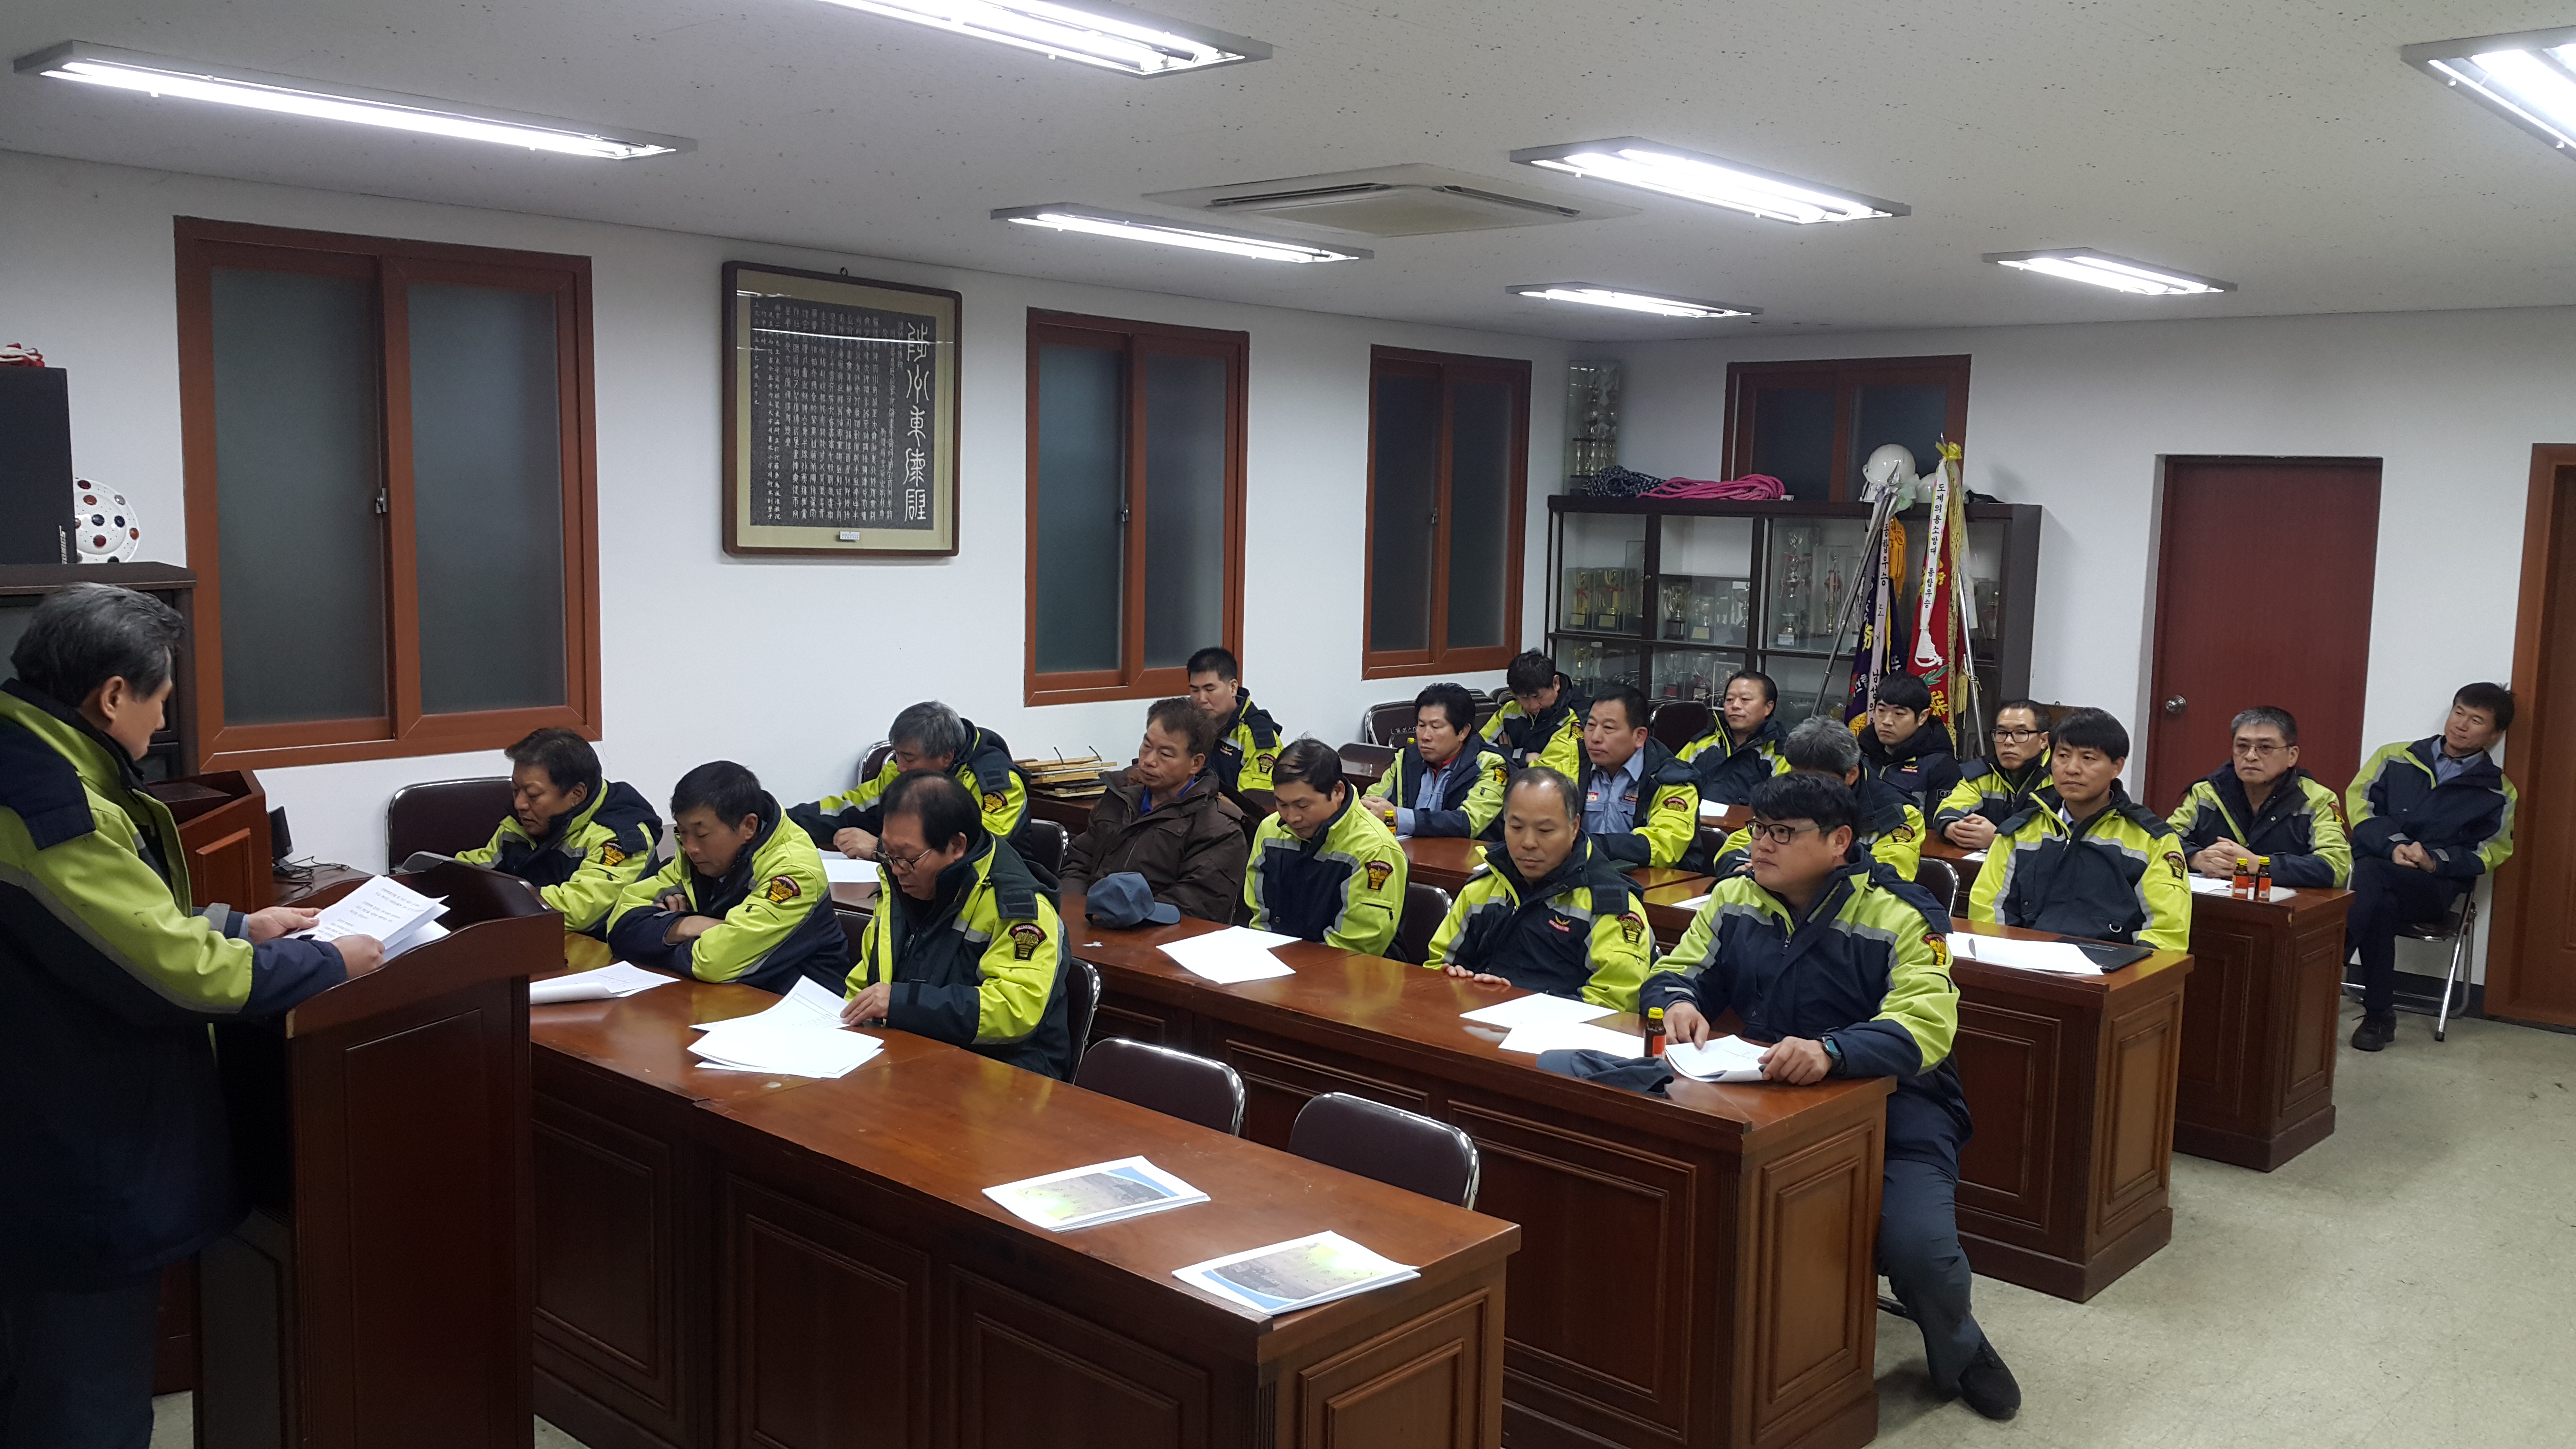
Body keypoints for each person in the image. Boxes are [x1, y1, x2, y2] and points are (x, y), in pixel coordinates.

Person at [1, 583, 380, 1449]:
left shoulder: (25, 750)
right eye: (162, 698)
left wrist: (236, 925)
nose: (164, 720)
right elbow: (174, 974)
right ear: (112, 695)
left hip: (36, 1132)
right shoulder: (49, 802)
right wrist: (331, 961)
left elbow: (100, 927)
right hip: (67, 1154)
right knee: (83, 1405)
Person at [1645, 773, 2018, 1421]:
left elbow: (1926, 1025)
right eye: (1758, 830)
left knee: (1919, 1251)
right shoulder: (1735, 896)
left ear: (1839, 841)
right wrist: (1676, 1001)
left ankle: (1961, 1346)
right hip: (1764, 1093)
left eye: (1782, 833)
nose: (1761, 845)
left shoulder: (1900, 913)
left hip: (1897, 1105)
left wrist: (1834, 1051)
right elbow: (1677, 968)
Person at [839, 772, 1073, 1078]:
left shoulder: (1019, 906)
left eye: (908, 858)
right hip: (917, 1053)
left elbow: (1015, 1009)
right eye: (888, 853)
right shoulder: (900, 885)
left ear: (957, 846)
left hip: (1005, 1073)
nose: (896, 869)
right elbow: (869, 979)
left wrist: (902, 1004)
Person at [2342, 684, 2518, 1052]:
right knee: (2379, 901)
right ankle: (2379, 1016)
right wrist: (2395, 846)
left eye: (2476, 720)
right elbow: (2361, 807)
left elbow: (2492, 851)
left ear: (2496, 734)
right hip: (2382, 873)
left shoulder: (2498, 791)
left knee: (2370, 878)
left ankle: (2322, 971)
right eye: (2458, 712)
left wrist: (2433, 860)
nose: (2461, 725)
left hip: (2431, 889)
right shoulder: (2395, 757)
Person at [609, 761, 852, 994]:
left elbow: (713, 963)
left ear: (749, 826)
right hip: (723, 999)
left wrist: (655, 941)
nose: (690, 847)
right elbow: (620, 925)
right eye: (682, 832)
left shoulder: (795, 873)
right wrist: (687, 925)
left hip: (801, 1009)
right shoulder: (698, 858)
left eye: (701, 834)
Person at [1425, 769, 1654, 1010]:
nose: (1528, 843)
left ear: (1574, 827)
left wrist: (1516, 1005)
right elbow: (1435, 968)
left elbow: (1612, 1005)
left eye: (1545, 831)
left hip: (1561, 1031)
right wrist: (1458, 983)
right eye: (1516, 827)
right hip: (1477, 1020)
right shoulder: (1483, 887)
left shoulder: (1609, 902)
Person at [1969, 708, 2189, 952]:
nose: (2072, 768)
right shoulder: (2020, 832)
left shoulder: (2152, 839)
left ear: (2116, 767)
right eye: (2063, 756)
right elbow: (1988, 912)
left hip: (2112, 968)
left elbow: (2165, 934)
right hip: (2025, 962)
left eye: (2088, 758)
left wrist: (2124, 972)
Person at [456, 726, 663, 936]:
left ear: (577, 794)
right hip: (531, 935)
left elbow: (578, 909)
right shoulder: (524, 821)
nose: (520, 804)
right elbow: (477, 870)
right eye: (516, 790)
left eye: (533, 795)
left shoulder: (620, 838)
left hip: (598, 948)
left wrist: (498, 898)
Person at [1059, 697, 1246, 924]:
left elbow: (1196, 903)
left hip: (1157, 932)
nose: (1148, 761)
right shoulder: (1120, 797)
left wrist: (1122, 915)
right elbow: (1078, 862)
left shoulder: (1219, 828)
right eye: (1147, 746)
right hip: (1089, 922)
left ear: (1195, 764)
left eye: (1165, 754)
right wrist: (1076, 910)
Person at [787, 701, 1028, 865]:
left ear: (946, 757)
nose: (900, 766)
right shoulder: (903, 770)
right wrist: (780, 821)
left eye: (909, 758)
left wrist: (881, 850)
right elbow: (853, 807)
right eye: (897, 754)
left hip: (992, 891)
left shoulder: (996, 784)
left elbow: (979, 849)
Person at [1710, 715, 1926, 879]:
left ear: (1851, 775)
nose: (1805, 789)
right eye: (1798, 777)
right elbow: (1735, 847)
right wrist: (1739, 868)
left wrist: (1806, 878)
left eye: (1818, 781)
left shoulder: (1898, 815)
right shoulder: (1787, 795)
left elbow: (1889, 877)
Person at [1244, 739, 1406, 956]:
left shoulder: (1375, 848)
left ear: (1338, 791)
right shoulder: (1270, 830)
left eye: (1302, 805)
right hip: (1278, 961)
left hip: (1352, 967)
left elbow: (1358, 944)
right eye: (1282, 804)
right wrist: (1263, 956)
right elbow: (1259, 916)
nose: (1292, 817)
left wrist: (1296, 966)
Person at [2167, 706, 2351, 887]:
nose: (2251, 756)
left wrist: (2258, 864)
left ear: (2292, 756)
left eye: (2265, 747)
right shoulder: (2206, 793)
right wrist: (2196, 858)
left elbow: (2336, 867)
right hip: (2213, 902)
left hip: (2285, 903)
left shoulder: (2317, 799)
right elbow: (2162, 843)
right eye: (2242, 746)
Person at [1576, 683, 1702, 869]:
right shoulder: (1572, 764)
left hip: (1647, 878)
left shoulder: (1673, 779)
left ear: (1639, 736)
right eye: (1591, 725)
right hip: (1579, 873)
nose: (1595, 737)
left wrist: (1590, 845)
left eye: (1609, 728)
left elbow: (1663, 845)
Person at [1362, 681, 1509, 839]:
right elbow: (1370, 802)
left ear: (1463, 732)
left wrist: (1399, 817)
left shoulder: (1490, 765)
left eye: (1436, 727)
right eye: (1421, 726)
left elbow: (1469, 822)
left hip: (1464, 853)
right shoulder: (1406, 759)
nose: (1425, 736)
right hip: (1407, 851)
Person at [1936, 702, 2052, 850]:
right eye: (2001, 733)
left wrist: (1998, 839)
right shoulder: (1984, 772)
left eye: (2021, 733)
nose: (2008, 742)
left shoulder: (2060, 777)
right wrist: (1953, 828)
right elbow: (1948, 810)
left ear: (2043, 740)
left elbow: (2062, 838)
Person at [1679, 669, 1790, 805]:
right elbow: (1671, 782)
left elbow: (1782, 807)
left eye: (1745, 700)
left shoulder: (1781, 754)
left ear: (1768, 707)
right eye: (1730, 700)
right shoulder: (1702, 744)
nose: (1735, 706)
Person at [1858, 672, 1962, 812]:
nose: (1887, 721)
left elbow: (1938, 824)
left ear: (1922, 717)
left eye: (1899, 714)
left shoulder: (1942, 767)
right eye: (1881, 710)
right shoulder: (1860, 754)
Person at [1481, 649, 1586, 775]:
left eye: (1538, 697)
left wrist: (1507, 757)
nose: (1533, 706)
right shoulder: (1510, 711)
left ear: (1556, 683)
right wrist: (1521, 756)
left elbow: (1550, 774)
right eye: (1524, 698)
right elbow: (1478, 748)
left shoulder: (1573, 720)